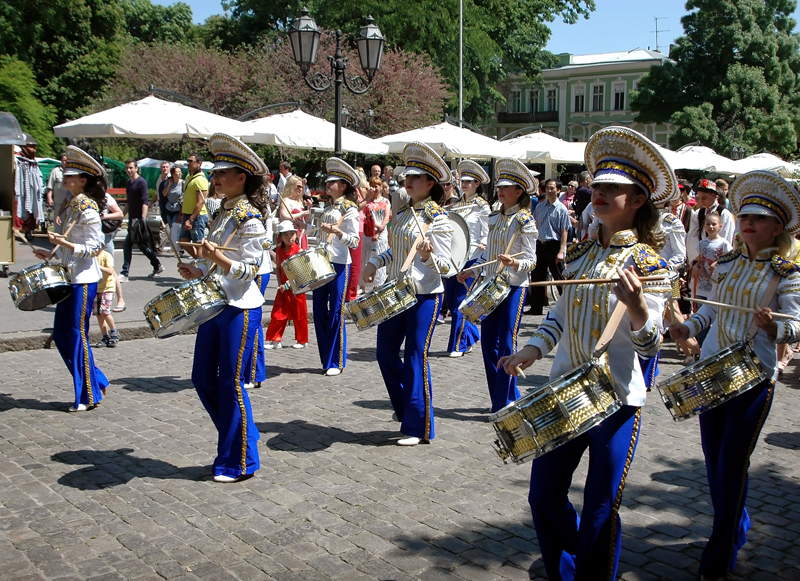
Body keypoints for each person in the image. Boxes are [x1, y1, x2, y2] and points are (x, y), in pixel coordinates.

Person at [499, 126, 675, 580]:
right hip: (565, 390)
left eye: (612, 189)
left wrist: (637, 308)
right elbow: (560, 313)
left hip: (616, 400)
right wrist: (533, 348)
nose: (599, 193)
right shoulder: (577, 255)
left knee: (600, 506)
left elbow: (651, 343)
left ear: (637, 200)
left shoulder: (649, 264)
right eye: (597, 185)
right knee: (543, 496)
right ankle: (571, 566)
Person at [670, 170, 800, 580]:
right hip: (712, 373)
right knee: (713, 462)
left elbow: (796, 323)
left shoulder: (786, 272)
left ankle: (720, 554)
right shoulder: (726, 262)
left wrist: (772, 328)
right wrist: (687, 328)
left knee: (730, 466)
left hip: (753, 378)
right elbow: (710, 309)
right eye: (745, 216)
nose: (748, 223)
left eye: (759, 219)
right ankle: (734, 524)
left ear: (777, 227)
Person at [176, 133, 268, 483]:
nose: (214, 179)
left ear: (241, 177)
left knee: (230, 384)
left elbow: (252, 269)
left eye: (222, 174)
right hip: (215, 304)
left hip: (240, 309)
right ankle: (244, 434)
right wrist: (199, 268)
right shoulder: (223, 213)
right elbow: (218, 264)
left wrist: (218, 259)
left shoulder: (251, 219)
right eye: (214, 174)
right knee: (201, 379)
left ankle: (239, 460)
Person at [361, 142, 453, 446]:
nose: (408, 181)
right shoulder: (402, 213)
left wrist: (428, 257)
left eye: (416, 178)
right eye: (407, 177)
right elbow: (394, 250)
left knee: (416, 355)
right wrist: (374, 262)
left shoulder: (439, 218)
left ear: (431, 184)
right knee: (385, 353)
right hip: (397, 292)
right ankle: (408, 408)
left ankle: (419, 426)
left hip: (425, 294)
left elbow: (447, 265)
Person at [33, 146, 110, 412]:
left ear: (83, 180)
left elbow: (95, 248)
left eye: (71, 175)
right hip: (68, 277)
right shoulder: (71, 205)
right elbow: (70, 245)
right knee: (61, 334)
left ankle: (88, 395)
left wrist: (66, 244)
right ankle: (96, 379)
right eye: (66, 174)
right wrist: (53, 250)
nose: (65, 178)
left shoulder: (88, 209)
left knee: (77, 335)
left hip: (83, 280)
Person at [457, 158, 537, 412]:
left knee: (505, 342)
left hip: (513, 287)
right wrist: (472, 268)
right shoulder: (493, 217)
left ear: (519, 191)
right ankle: (503, 396)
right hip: (490, 285)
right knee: (489, 342)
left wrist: (514, 263)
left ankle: (502, 402)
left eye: (506, 187)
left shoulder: (525, 220)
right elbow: (489, 253)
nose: (500, 191)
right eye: (499, 187)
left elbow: (532, 260)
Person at [313, 158, 360, 377]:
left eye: (332, 182)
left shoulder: (350, 209)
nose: (327, 184)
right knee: (319, 310)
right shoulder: (329, 207)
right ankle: (326, 357)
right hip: (322, 261)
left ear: (343, 186)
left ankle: (336, 360)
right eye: (327, 181)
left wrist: (339, 232)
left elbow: (354, 242)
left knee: (336, 312)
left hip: (340, 263)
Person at [444, 159, 490, 357]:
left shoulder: (482, 206)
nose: (465, 185)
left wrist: (484, 242)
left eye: (469, 182)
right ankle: (470, 335)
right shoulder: (456, 204)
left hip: (472, 257)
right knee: (452, 298)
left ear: (477, 184)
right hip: (455, 257)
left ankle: (459, 345)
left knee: (461, 302)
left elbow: (488, 232)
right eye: (463, 181)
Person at [528, 178, 570, 315]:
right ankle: (536, 307)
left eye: (552, 188)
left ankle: (566, 306)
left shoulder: (562, 209)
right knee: (537, 275)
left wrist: (561, 251)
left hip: (554, 245)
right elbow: (535, 224)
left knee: (558, 277)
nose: (549, 190)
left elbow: (565, 231)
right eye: (547, 188)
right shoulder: (539, 207)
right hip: (540, 244)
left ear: (558, 190)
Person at [266, 220, 309, 350]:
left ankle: (302, 340)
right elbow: (278, 268)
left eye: (292, 234)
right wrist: (280, 283)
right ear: (280, 237)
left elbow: (300, 271)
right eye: (286, 235)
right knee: (278, 313)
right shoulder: (279, 249)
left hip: (296, 287)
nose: (290, 237)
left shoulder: (298, 250)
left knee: (299, 314)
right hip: (283, 287)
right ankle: (275, 340)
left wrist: (288, 284)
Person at [119, 158, 163, 281]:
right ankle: (157, 265)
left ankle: (125, 272)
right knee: (141, 245)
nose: (129, 170)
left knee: (128, 244)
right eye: (127, 168)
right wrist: (122, 215)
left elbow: (144, 201)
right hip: (132, 218)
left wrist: (142, 219)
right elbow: (128, 201)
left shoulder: (141, 182)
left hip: (138, 220)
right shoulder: (129, 182)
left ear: (136, 168)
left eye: (131, 167)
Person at [687, 177, 735, 263]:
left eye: (704, 198)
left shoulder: (724, 214)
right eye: (699, 198)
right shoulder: (698, 213)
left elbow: (727, 237)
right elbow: (693, 236)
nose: (701, 201)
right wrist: (696, 258)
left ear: (713, 196)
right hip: (701, 257)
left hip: (717, 259)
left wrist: (719, 261)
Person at [692, 213, 733, 301]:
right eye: (708, 224)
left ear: (720, 226)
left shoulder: (723, 243)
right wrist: (696, 265)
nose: (711, 226)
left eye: (714, 224)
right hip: (702, 285)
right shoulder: (702, 243)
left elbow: (729, 259)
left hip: (716, 285)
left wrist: (718, 263)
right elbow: (700, 258)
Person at [361, 178, 391, 291]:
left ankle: (378, 284)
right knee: (366, 257)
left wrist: (380, 229)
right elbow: (363, 216)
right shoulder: (367, 201)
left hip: (381, 234)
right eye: (373, 185)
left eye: (377, 185)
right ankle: (363, 284)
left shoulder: (386, 201)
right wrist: (375, 226)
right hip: (368, 232)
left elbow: (387, 217)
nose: (375, 188)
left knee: (379, 256)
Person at [14, 133, 45, 240]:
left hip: (31, 193)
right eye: (30, 147)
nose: (33, 150)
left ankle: (29, 229)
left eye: (34, 147)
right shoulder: (15, 160)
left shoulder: (33, 163)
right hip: (19, 193)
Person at [179, 153, 209, 257]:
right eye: (187, 161)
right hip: (187, 213)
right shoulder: (188, 177)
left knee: (198, 243)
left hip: (198, 215)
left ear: (199, 163)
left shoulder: (201, 179)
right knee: (183, 241)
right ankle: (199, 260)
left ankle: (201, 266)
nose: (188, 163)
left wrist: (191, 220)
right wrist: (181, 213)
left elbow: (201, 202)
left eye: (191, 161)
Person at [93, 249, 120, 348]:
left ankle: (114, 332)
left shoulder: (106, 255)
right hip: (96, 288)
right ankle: (105, 337)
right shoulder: (91, 255)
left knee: (104, 311)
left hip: (107, 288)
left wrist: (97, 266)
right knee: (99, 315)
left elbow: (110, 271)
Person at [278, 175, 310, 250]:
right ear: (291, 186)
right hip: (291, 235)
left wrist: (309, 207)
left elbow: (305, 218)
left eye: (302, 187)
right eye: (298, 186)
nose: (301, 189)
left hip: (302, 234)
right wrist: (300, 214)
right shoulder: (286, 200)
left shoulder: (299, 201)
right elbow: (283, 216)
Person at [45, 152, 69, 234]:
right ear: (61, 161)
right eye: (64, 160)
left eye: (67, 160)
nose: (65, 162)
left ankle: (67, 244)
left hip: (70, 203)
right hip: (59, 202)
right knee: (58, 223)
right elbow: (50, 186)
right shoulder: (55, 171)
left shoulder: (72, 172)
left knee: (69, 224)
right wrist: (49, 197)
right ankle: (58, 244)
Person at [161, 165, 184, 245]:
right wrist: (170, 184)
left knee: (175, 227)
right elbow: (164, 194)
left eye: (180, 171)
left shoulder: (183, 183)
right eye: (177, 172)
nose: (179, 173)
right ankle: (174, 246)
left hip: (178, 208)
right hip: (169, 207)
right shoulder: (168, 182)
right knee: (171, 227)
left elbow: (184, 196)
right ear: (173, 174)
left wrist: (182, 212)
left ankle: (177, 247)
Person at [155, 160, 171, 252]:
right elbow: (157, 193)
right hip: (162, 204)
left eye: (166, 167)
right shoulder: (159, 178)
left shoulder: (171, 178)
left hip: (170, 205)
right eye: (163, 167)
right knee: (164, 225)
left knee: (168, 226)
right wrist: (151, 203)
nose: (165, 168)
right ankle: (160, 247)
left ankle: (160, 247)